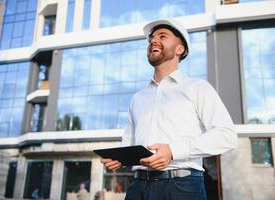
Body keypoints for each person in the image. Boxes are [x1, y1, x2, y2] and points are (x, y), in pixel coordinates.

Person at [101, 18, 237, 200]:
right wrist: (119, 157)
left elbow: (226, 135)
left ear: (179, 49)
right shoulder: (138, 98)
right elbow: (128, 141)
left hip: (182, 187)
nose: (153, 41)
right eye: (151, 39)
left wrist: (173, 151)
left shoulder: (197, 88)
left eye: (162, 36)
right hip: (138, 187)